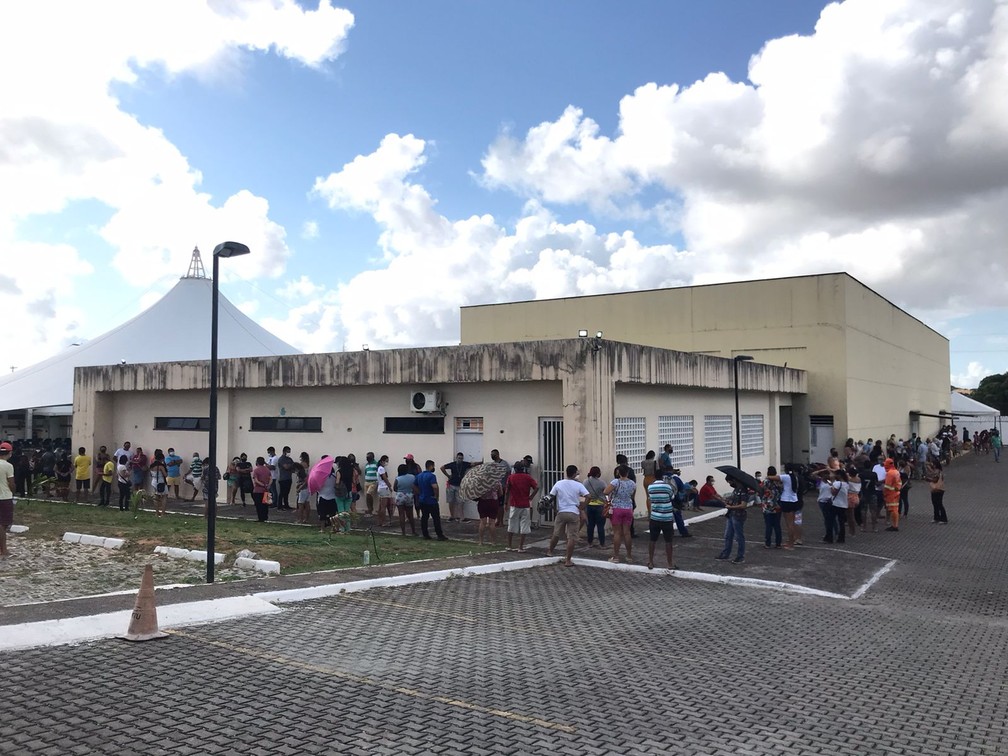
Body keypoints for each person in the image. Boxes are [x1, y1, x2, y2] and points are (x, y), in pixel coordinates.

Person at [546, 465, 589, 567]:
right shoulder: (578, 485)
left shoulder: (559, 483)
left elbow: (550, 497)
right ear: (574, 474)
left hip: (561, 512)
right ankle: (568, 560)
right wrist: (582, 507)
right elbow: (588, 496)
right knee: (571, 537)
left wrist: (554, 509)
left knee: (556, 534)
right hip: (573, 512)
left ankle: (550, 551)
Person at [604, 464, 636, 563]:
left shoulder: (615, 482)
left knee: (617, 533)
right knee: (627, 533)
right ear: (627, 472)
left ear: (618, 472)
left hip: (617, 508)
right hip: (628, 508)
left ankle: (616, 556)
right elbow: (632, 496)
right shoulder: (632, 483)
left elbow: (605, 491)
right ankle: (629, 556)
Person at [716, 477, 753, 564]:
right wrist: (727, 501)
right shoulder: (736, 489)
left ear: (734, 480)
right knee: (728, 535)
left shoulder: (743, 490)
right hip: (731, 515)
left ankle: (740, 556)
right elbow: (734, 500)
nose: (729, 484)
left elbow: (743, 505)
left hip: (738, 516)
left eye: (730, 482)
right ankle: (726, 553)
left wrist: (731, 507)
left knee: (739, 537)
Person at [645, 474, 677, 569]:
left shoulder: (650, 487)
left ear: (654, 477)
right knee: (668, 541)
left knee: (652, 540)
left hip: (654, 517)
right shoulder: (667, 487)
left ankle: (650, 562)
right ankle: (670, 564)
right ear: (663, 477)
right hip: (667, 518)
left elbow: (650, 498)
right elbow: (672, 497)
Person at [505, 461, 538, 552]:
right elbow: (537, 487)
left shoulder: (511, 477)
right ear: (523, 469)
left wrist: (505, 503)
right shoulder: (528, 477)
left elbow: (507, 491)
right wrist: (531, 497)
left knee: (511, 524)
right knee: (524, 526)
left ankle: (509, 545)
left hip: (514, 504)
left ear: (514, 469)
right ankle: (520, 546)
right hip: (525, 504)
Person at [768, 464, 801, 548]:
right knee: (792, 523)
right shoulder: (795, 477)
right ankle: (792, 540)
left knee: (788, 524)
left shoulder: (786, 477)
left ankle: (790, 543)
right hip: (794, 500)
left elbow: (771, 477)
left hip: (786, 500)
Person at [416, 459, 447, 541]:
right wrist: (436, 496)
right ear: (431, 466)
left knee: (424, 517)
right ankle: (439, 535)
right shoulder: (431, 476)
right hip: (431, 500)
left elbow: (413, 485)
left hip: (422, 499)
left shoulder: (419, 476)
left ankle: (425, 534)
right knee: (436, 518)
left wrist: (419, 493)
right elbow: (435, 487)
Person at [441, 452, 473, 523]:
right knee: (451, 501)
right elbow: (442, 467)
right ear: (456, 458)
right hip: (451, 485)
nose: (460, 460)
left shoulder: (464, 464)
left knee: (460, 502)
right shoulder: (452, 464)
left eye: (461, 458)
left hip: (460, 486)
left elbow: (472, 464)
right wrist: (448, 476)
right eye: (459, 458)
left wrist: (482, 462)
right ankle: (452, 516)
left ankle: (462, 518)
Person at [583, 466, 608, 548]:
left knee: (590, 525)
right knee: (600, 526)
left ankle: (589, 543)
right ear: (598, 473)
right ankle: (602, 544)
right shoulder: (602, 482)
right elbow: (606, 492)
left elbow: (583, 492)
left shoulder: (586, 481)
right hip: (600, 506)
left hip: (589, 505)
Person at [760, 465, 783, 549]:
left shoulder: (765, 482)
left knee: (768, 525)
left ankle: (768, 543)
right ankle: (778, 543)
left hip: (767, 506)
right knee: (777, 525)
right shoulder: (779, 482)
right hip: (777, 505)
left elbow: (761, 490)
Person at [393, 463, 418, 536]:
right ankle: (413, 531)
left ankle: (403, 532)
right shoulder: (412, 477)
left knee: (401, 514)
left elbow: (395, 488)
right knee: (410, 514)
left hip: (400, 496)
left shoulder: (398, 478)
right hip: (409, 495)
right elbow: (414, 486)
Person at [477, 478, 503, 546]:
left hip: (483, 502)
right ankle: (493, 542)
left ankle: (480, 541)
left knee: (483, 522)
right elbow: (501, 493)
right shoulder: (497, 481)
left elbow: (477, 493)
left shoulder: (481, 481)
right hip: (493, 502)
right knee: (492, 522)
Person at [0, 442, 15, 560]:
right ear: (9, 453)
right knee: (3, 525)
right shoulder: (8, 466)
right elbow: (11, 483)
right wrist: (14, 491)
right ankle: (3, 550)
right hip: (4, 497)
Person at [882, 458, 902, 531]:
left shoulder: (890, 473)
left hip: (891, 494)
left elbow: (887, 486)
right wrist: (897, 488)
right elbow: (899, 482)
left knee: (893, 510)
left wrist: (884, 494)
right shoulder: (896, 472)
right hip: (896, 493)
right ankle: (895, 525)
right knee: (895, 509)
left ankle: (894, 526)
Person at [376, 454, 395, 526]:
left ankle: (380, 521)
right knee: (383, 506)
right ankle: (382, 522)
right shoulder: (381, 468)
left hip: (381, 488)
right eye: (386, 461)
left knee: (381, 506)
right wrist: (389, 485)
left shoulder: (379, 468)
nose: (387, 463)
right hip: (384, 488)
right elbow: (384, 478)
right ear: (382, 461)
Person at [252, 456, 272, 522]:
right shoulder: (267, 469)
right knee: (265, 505)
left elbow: (256, 480)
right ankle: (265, 517)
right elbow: (271, 478)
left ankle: (260, 518)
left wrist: (262, 485)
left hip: (258, 490)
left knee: (259, 505)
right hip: (266, 490)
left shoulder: (256, 470)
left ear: (257, 462)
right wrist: (268, 485)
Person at [149, 449, 169, 517]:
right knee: (164, 496)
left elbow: (150, 475)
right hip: (161, 481)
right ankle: (163, 513)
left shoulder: (151, 466)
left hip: (154, 481)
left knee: (156, 497)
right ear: (162, 459)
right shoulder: (161, 466)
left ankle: (157, 512)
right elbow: (165, 475)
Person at [294, 452, 311, 524]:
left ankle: (300, 519)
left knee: (300, 504)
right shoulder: (307, 464)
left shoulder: (302, 467)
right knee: (307, 503)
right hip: (308, 488)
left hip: (303, 487)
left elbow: (304, 480)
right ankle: (306, 519)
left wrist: (299, 488)